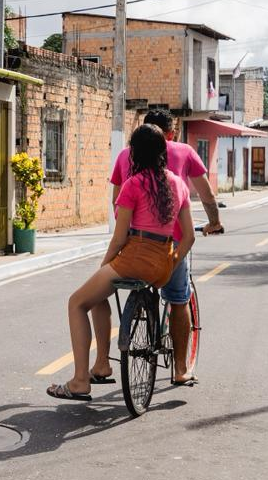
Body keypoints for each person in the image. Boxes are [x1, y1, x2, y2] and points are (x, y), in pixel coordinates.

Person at [47, 124, 194, 402]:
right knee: (98, 298)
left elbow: (119, 238)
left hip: (134, 257)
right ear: (163, 151)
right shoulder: (177, 184)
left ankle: (80, 381)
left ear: (134, 153)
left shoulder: (133, 184)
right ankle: (101, 364)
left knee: (77, 302)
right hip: (163, 262)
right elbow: (188, 238)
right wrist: (171, 264)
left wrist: (104, 267)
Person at [95, 109, 222, 387]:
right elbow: (206, 194)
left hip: (132, 241)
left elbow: (117, 202)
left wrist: (129, 230)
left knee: (97, 294)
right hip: (170, 242)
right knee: (178, 299)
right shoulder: (184, 152)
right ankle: (179, 369)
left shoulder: (124, 156)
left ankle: (101, 363)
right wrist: (214, 222)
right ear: (169, 133)